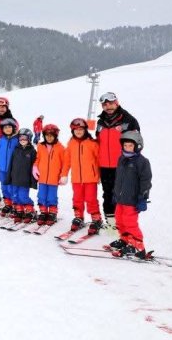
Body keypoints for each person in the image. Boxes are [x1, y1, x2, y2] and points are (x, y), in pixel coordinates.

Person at [95, 92, 141, 229]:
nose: (108, 106)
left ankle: (124, 224)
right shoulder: (100, 122)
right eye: (105, 104)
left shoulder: (128, 120)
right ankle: (111, 224)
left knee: (122, 195)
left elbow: (137, 144)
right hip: (104, 166)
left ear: (117, 102)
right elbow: (98, 143)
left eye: (110, 103)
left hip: (123, 165)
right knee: (107, 194)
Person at [108, 131, 152, 260]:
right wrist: (115, 193)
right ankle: (125, 240)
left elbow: (146, 182)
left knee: (130, 223)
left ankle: (138, 246)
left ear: (137, 146)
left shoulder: (142, 162)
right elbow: (119, 179)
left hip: (132, 200)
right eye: (125, 145)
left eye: (130, 146)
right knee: (120, 220)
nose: (127, 148)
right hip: (120, 199)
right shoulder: (121, 158)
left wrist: (142, 198)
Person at [65, 118, 102, 234]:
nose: (78, 131)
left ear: (85, 130)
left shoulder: (92, 143)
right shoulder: (71, 143)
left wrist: (100, 174)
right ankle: (79, 217)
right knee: (77, 199)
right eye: (76, 130)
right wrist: (64, 174)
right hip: (76, 178)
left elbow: (99, 160)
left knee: (91, 199)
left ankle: (96, 219)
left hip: (90, 178)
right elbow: (67, 160)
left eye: (81, 129)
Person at [33, 124, 69, 226]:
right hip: (42, 177)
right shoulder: (40, 146)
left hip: (54, 178)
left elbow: (65, 163)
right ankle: (43, 212)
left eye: (51, 135)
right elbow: (37, 159)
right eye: (47, 135)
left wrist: (63, 175)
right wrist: (35, 168)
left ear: (56, 136)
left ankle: (52, 213)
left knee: (51, 196)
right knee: (41, 195)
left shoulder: (61, 148)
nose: (49, 137)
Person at [5, 128, 37, 224]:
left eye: (25, 138)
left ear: (29, 139)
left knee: (23, 196)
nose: (22, 140)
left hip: (25, 180)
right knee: (15, 196)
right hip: (15, 179)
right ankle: (19, 211)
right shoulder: (16, 150)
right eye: (21, 138)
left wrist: (33, 181)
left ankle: (30, 211)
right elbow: (10, 164)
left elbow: (34, 167)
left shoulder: (32, 151)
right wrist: (8, 177)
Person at [0, 118, 21, 216]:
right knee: (4, 188)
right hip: (2, 169)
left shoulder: (17, 140)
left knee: (12, 188)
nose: (7, 129)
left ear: (13, 128)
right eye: (5, 128)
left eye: (9, 127)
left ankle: (15, 205)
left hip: (12, 169)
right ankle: (7, 204)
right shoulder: (1, 140)